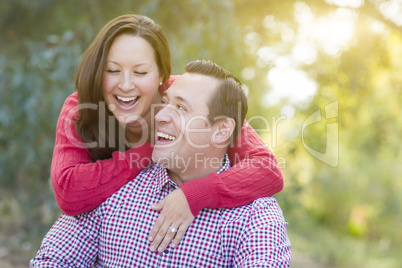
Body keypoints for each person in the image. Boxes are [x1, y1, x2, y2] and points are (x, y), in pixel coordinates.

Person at [50, 14, 284, 251]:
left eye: (140, 72)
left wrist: (195, 194)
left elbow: (266, 169)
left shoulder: (192, 97)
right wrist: (152, 148)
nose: (126, 85)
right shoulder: (81, 107)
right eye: (112, 70)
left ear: (161, 75)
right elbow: (69, 191)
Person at [31, 59, 291, 267]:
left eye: (181, 108)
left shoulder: (256, 218)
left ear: (221, 130)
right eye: (164, 103)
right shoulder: (115, 188)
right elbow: (52, 260)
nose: (160, 115)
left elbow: (267, 169)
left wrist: (196, 194)